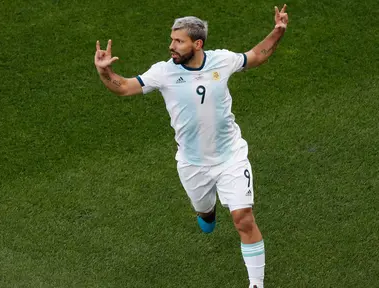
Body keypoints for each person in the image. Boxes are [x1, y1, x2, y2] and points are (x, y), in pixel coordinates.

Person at [94, 5, 288, 288]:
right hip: (193, 164)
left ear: (197, 44)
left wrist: (278, 31)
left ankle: (256, 284)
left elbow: (256, 55)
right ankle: (206, 213)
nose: (171, 46)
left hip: (231, 157)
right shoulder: (163, 72)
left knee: (243, 218)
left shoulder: (221, 60)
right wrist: (105, 71)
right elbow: (123, 86)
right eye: (172, 39)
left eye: (178, 41)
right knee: (205, 212)